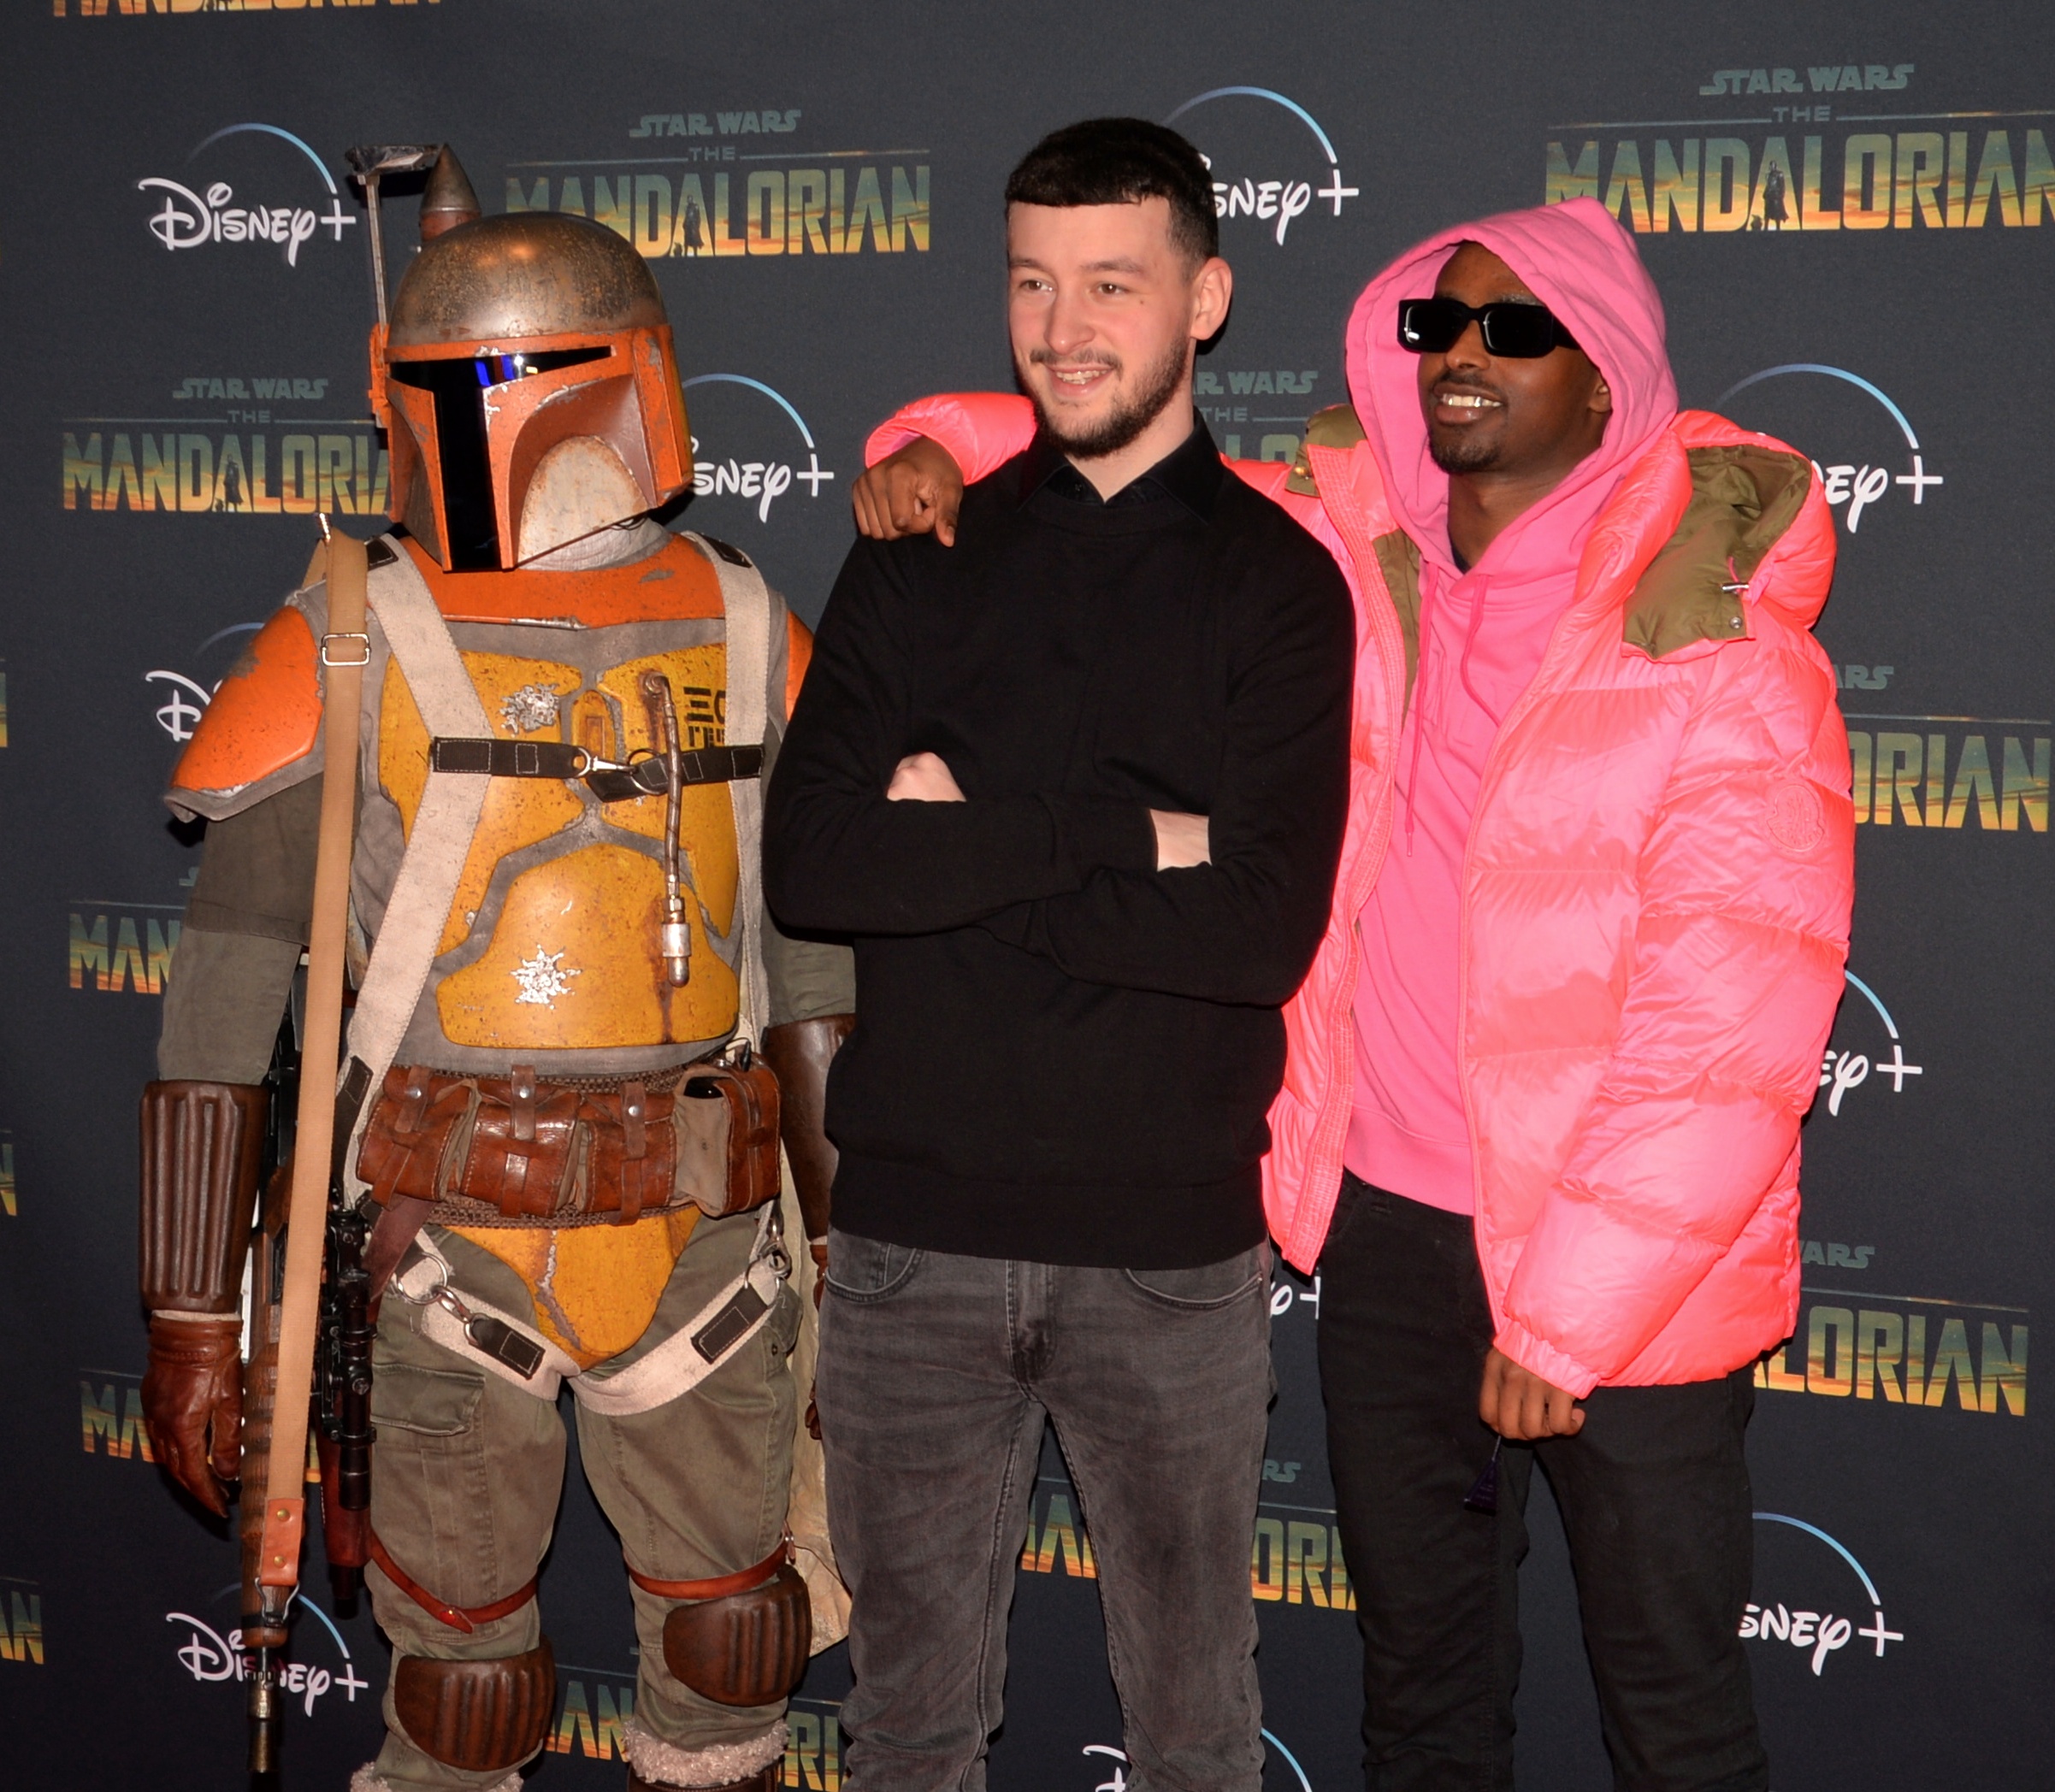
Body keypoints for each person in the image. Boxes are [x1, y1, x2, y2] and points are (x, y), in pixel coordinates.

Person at [847, 195, 1856, 1790]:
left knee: (1673, 1716)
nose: (1463, 354)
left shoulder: (1723, 652)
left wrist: (1566, 1319)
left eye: (1516, 329)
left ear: (1607, 377)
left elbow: (1727, 1039)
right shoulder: (1357, 561)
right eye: (1436, 323)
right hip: (1391, 1243)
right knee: (1423, 1697)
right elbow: (1142, 461)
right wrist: (932, 442)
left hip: (1628, 1296)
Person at [138, 149, 853, 1792]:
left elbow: (812, 975)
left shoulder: (746, 623)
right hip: (442, 1245)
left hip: (706, 1238)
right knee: (460, 1685)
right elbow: (226, 995)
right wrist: (192, 1319)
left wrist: (855, 1265)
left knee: (732, 1642)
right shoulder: (349, 631)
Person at [763, 118, 1354, 1792]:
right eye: (1031, 283)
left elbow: (1254, 932)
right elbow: (815, 868)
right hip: (905, 1253)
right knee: (906, 1736)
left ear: (1205, 300)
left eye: (1111, 284)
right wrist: (1116, 832)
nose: (1063, 327)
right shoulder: (916, 556)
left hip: (1166, 1261)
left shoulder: (1280, 587)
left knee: (1193, 1737)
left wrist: (956, 844)